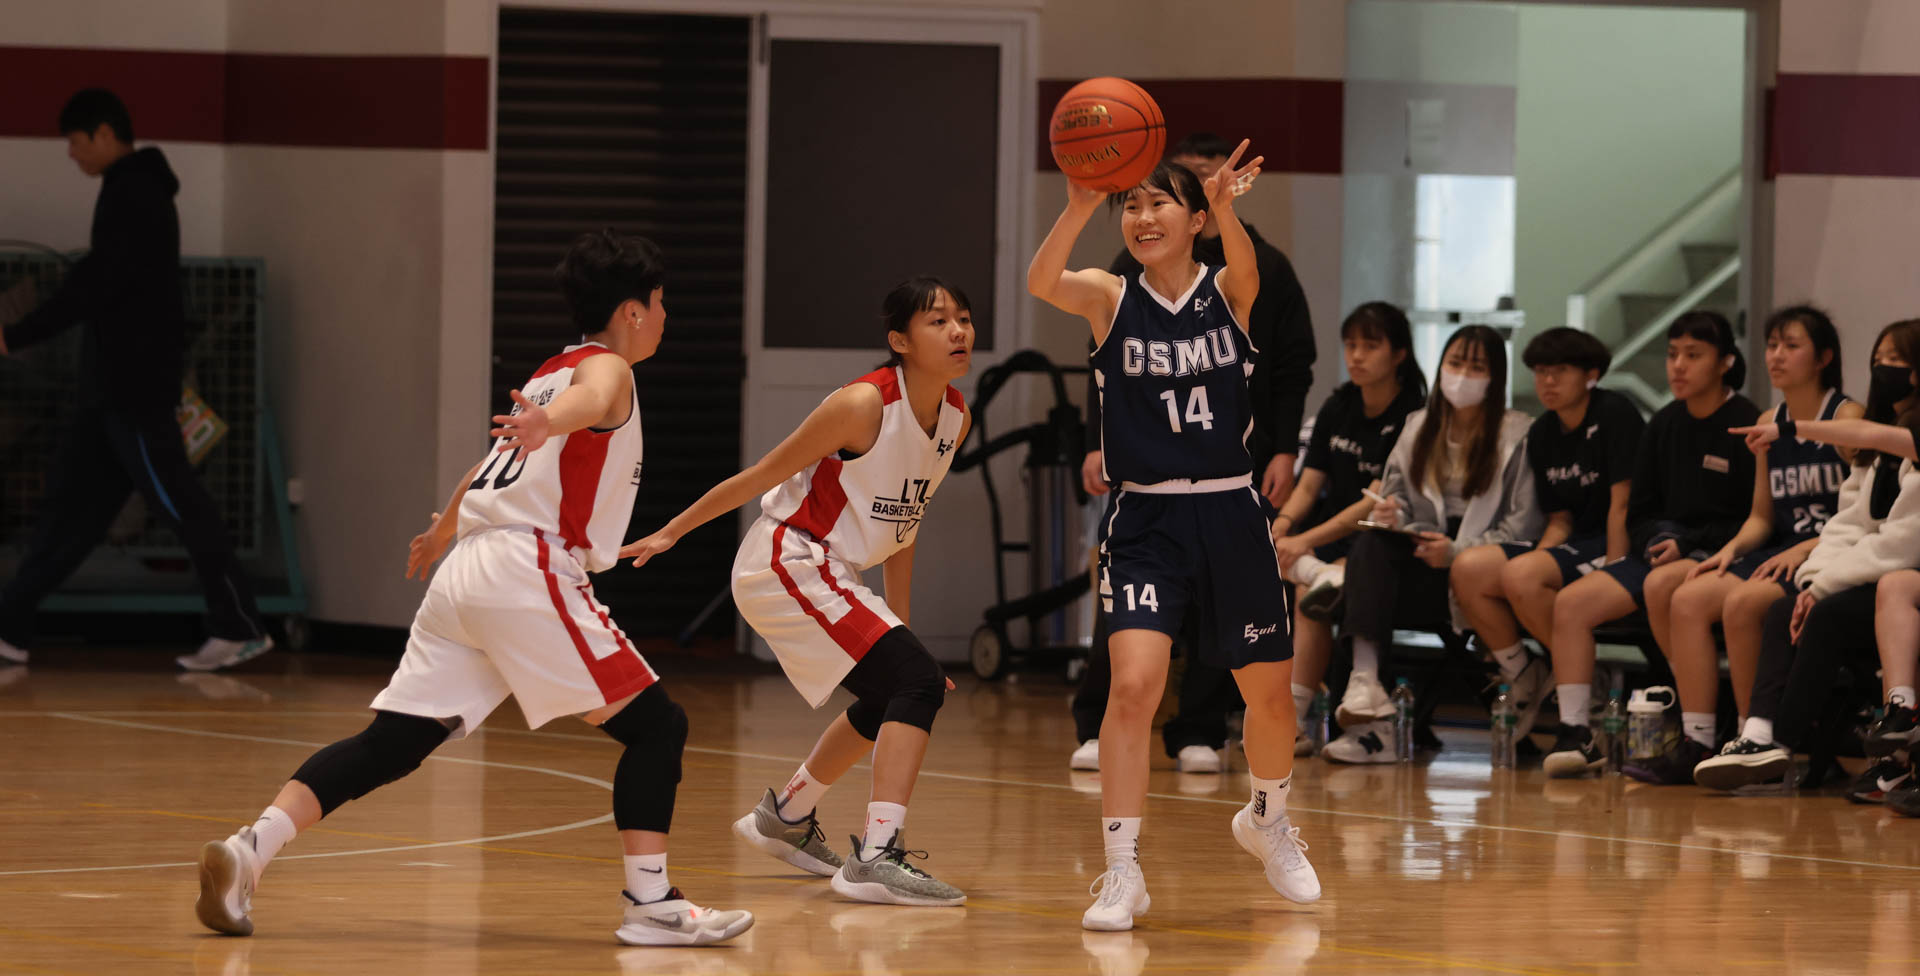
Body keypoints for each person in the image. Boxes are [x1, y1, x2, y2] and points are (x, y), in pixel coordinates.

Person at [192, 231, 753, 946]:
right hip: (526, 568)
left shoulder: (550, 370)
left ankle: (250, 849)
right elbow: (596, 398)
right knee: (657, 725)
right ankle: (651, 904)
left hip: (469, 572)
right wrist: (552, 421)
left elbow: (487, 463)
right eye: (662, 303)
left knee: (391, 742)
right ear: (632, 311)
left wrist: (443, 530)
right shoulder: (603, 371)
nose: (666, 316)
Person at [1030, 141, 1321, 931]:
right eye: (1133, 204)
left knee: (1267, 699)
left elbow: (1246, 265)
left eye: (1160, 202)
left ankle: (1267, 818)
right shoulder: (1107, 296)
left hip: (1231, 512)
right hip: (1146, 519)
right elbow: (1040, 282)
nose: (1143, 215)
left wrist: (1224, 205)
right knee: (1132, 686)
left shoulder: (1233, 289)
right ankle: (1122, 871)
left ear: (1195, 220)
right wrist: (1081, 202)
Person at [625, 277, 973, 907]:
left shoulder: (955, 416)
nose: (958, 332)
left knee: (894, 689)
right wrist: (672, 531)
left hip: (833, 569)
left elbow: (905, 526)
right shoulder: (862, 404)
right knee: (914, 682)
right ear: (900, 340)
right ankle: (876, 856)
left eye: (965, 320)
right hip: (787, 558)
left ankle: (785, 816)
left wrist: (904, 628)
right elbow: (763, 472)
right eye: (938, 322)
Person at [1070, 133, 1317, 775]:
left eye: (1195, 186)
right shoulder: (1122, 280)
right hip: (1146, 496)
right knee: (1131, 647)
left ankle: (1202, 730)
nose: (1149, 213)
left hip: (1229, 482)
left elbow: (1292, 366)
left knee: (1236, 642)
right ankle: (1101, 723)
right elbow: (1098, 365)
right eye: (1137, 201)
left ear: (1204, 208)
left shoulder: (1251, 271)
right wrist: (1094, 441)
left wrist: (1284, 447)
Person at [0, 88, 268, 671]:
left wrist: (20, 332)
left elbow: (101, 282)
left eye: (75, 142)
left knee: (180, 503)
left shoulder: (135, 192)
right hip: (108, 392)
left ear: (102, 133)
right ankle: (11, 626)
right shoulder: (127, 191)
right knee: (70, 512)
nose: (72, 155)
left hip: (134, 390)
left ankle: (238, 624)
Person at [1627, 307, 1857, 784]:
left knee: (1741, 603)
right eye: (1772, 345)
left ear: (1824, 357)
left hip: (1834, 552)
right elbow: (1760, 515)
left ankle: (1759, 739)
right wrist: (1729, 549)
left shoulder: (1847, 415)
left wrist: (1810, 545)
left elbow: (1865, 508)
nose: (1776, 356)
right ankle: (1701, 737)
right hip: (1781, 548)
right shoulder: (1770, 418)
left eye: (1791, 346)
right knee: (1685, 595)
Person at [1693, 319, 1920, 795]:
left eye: (1896, 362)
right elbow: (1847, 526)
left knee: (1826, 614)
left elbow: (1903, 540)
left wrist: (1821, 587)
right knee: (1781, 607)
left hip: (1900, 576)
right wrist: (1811, 582)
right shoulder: (1874, 447)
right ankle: (1755, 735)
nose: (1883, 371)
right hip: (1867, 573)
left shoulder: (1886, 435)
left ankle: (1782, 744)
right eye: (1877, 361)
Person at [1543, 311, 1758, 778]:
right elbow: (1639, 511)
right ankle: (1579, 732)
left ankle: (1699, 731)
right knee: (1571, 604)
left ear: (1725, 362)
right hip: (1663, 551)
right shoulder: (1663, 424)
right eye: (1672, 355)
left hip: (1724, 554)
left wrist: (1689, 542)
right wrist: (1658, 537)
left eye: (1693, 355)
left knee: (1666, 586)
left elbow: (1753, 518)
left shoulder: (1747, 422)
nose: (1678, 366)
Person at [1329, 325, 1540, 763]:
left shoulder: (1518, 435)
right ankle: (1365, 686)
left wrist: (1458, 552)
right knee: (1371, 546)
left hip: (1482, 576)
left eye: (1476, 367)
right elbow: (1397, 495)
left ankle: (1378, 719)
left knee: (1357, 587)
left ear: (1495, 377)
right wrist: (1394, 514)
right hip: (1424, 562)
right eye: (1455, 363)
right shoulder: (1418, 426)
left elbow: (1523, 530)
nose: (1462, 375)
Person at [1448, 327, 1643, 748]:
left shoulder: (1614, 414)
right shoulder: (1542, 433)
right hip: (1576, 542)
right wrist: (1533, 565)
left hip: (1620, 541)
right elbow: (1559, 518)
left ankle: (1581, 684)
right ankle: (1525, 672)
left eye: (1560, 372)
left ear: (1591, 374)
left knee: (1523, 576)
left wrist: (1614, 568)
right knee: (1470, 568)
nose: (1548, 382)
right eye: (1540, 372)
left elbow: (1623, 505)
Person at [1269, 302, 1426, 756]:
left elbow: (1371, 501)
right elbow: (1310, 482)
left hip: (1385, 537)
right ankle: (1293, 721)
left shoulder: (1413, 415)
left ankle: (1303, 717)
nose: (1356, 356)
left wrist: (1303, 542)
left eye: (1370, 345)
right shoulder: (1338, 405)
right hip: (1330, 535)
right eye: (1350, 345)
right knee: (1299, 579)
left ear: (1398, 354)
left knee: (1318, 584)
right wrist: (1282, 527)